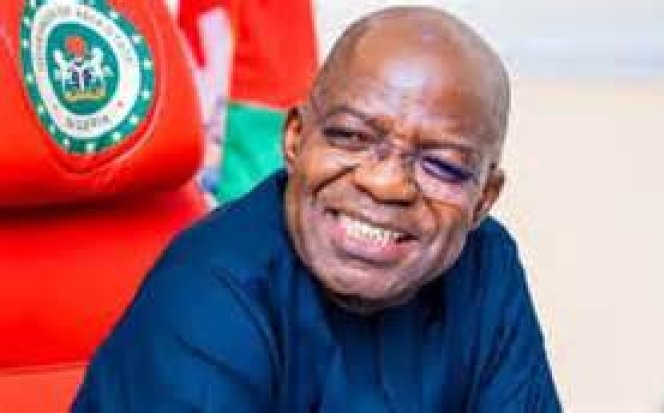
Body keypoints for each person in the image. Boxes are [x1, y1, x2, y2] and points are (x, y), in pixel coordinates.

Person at [73, 6, 561, 412]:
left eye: (441, 166)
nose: (385, 183)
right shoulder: (208, 285)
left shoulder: (486, 264)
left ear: (483, 199)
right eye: (350, 136)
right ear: (294, 138)